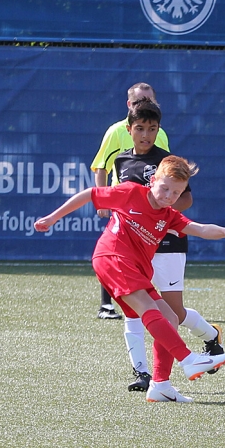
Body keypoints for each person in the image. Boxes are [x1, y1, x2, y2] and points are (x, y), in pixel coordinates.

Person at [35, 155, 225, 404]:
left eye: (176, 193)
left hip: (135, 270)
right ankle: (188, 359)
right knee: (148, 308)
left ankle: (160, 385)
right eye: (165, 188)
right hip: (112, 257)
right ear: (153, 180)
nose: (169, 196)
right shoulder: (130, 192)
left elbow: (199, 229)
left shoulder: (168, 216)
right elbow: (90, 194)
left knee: (170, 317)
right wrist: (53, 218)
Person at [110, 98, 225, 393]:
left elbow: (186, 199)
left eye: (152, 129)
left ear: (159, 130)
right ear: (129, 129)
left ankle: (210, 335)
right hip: (135, 249)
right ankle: (142, 372)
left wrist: (159, 216)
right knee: (134, 309)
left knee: (173, 313)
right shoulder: (121, 161)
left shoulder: (167, 162)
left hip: (168, 244)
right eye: (140, 128)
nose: (146, 135)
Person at [90, 82, 170, 320]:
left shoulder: (160, 133)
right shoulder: (117, 131)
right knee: (116, 249)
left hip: (151, 205)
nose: (143, 105)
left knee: (144, 252)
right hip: (124, 203)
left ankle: (149, 300)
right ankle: (107, 304)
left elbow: (167, 169)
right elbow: (101, 166)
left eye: (148, 101)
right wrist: (103, 199)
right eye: (138, 101)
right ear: (128, 105)